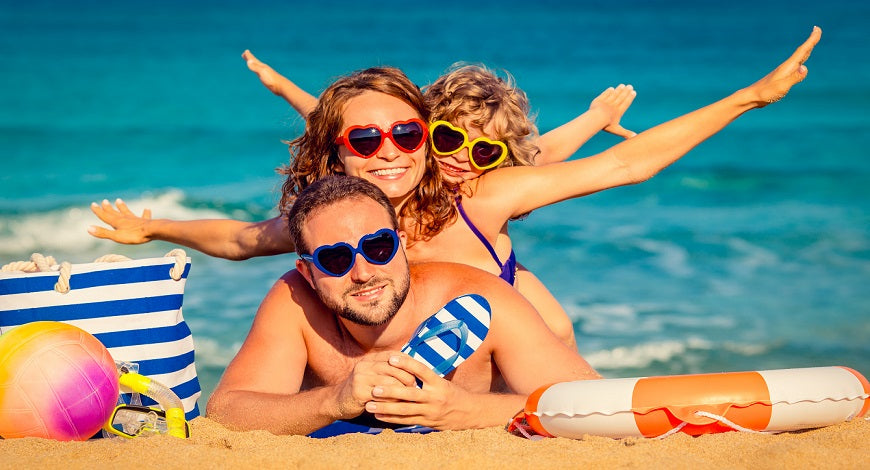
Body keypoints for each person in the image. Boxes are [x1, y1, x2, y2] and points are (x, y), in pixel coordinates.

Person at [90, 27, 821, 347]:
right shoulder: (343, 220)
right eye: (371, 142)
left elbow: (627, 166)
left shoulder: (482, 194)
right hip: (426, 379)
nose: (391, 152)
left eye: (406, 136)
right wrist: (157, 228)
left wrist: (749, 97)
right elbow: (243, 238)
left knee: (552, 323)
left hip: (516, 356)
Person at [205, 175, 599, 435]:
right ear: (307, 272)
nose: (363, 273)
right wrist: (334, 400)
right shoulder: (295, 303)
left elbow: (592, 400)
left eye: (378, 247)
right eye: (335, 259)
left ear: (402, 244)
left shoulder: (481, 299)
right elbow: (226, 411)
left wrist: (467, 410)